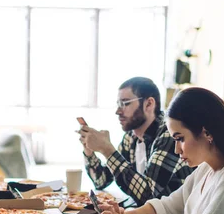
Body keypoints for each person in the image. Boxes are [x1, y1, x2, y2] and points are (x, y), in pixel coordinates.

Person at [79, 77, 193, 206]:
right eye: (118, 104)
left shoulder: (169, 135)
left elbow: (149, 197)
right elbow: (101, 181)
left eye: (125, 103)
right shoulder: (130, 137)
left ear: (149, 104)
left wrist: (107, 149)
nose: (118, 111)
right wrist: (88, 150)